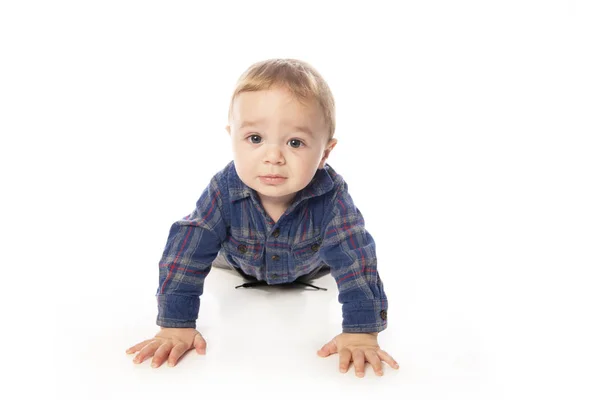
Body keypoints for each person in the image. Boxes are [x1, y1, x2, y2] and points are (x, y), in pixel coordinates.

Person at [126, 58, 399, 377]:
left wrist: (361, 331)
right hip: (237, 261)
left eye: (295, 142)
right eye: (255, 138)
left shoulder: (332, 197)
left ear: (324, 153)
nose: (273, 157)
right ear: (233, 138)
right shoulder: (223, 190)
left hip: (309, 266)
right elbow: (187, 250)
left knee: (343, 251)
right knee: (201, 245)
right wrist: (175, 325)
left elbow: (356, 259)